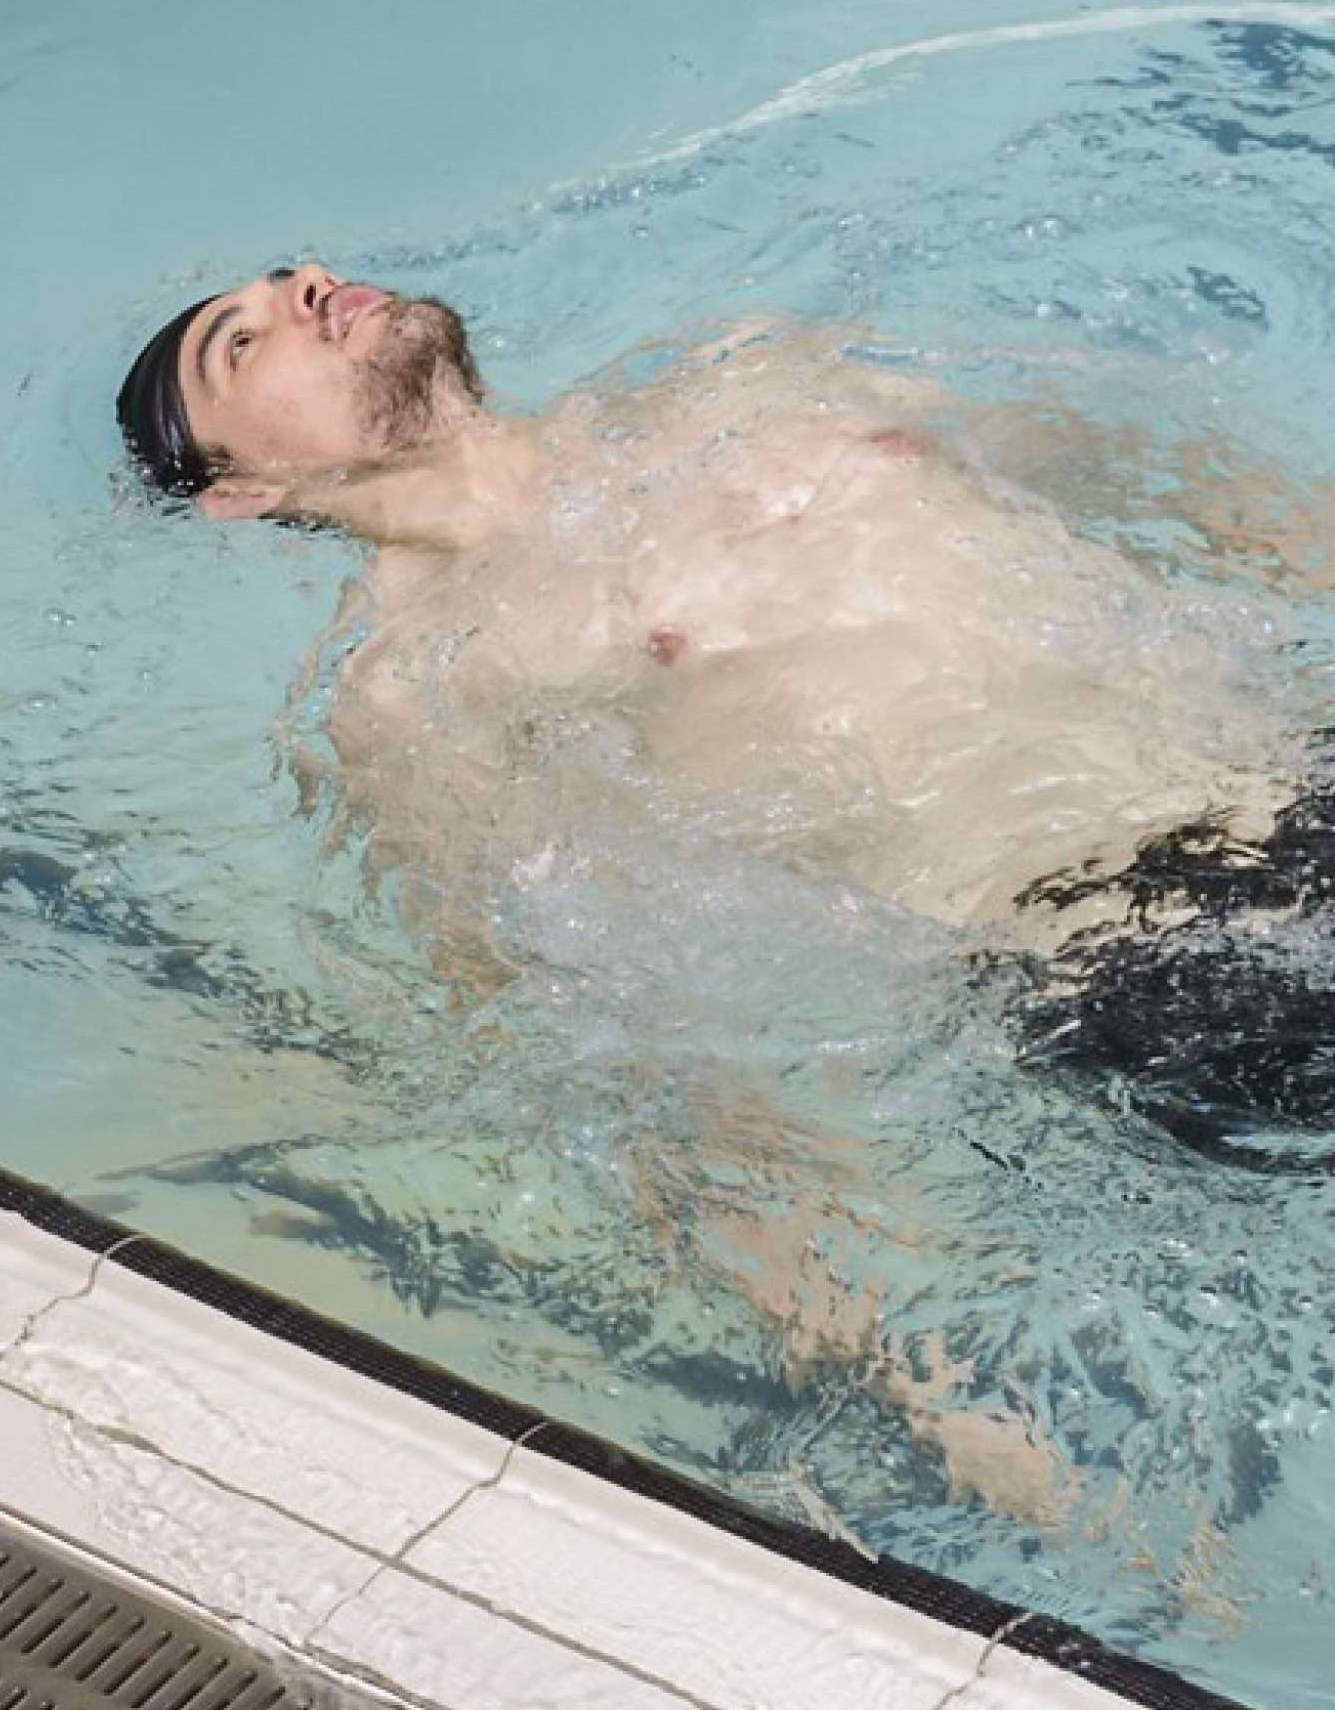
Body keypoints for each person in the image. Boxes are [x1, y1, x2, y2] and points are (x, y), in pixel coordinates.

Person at [116, 261, 1335, 1166]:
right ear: (245, 492)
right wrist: (865, 1339)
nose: (308, 289)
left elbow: (1166, 471)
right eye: (244, 339)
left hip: (1291, 771)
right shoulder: (423, 686)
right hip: (1141, 948)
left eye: (295, 275)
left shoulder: (753, 372)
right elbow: (574, 1039)